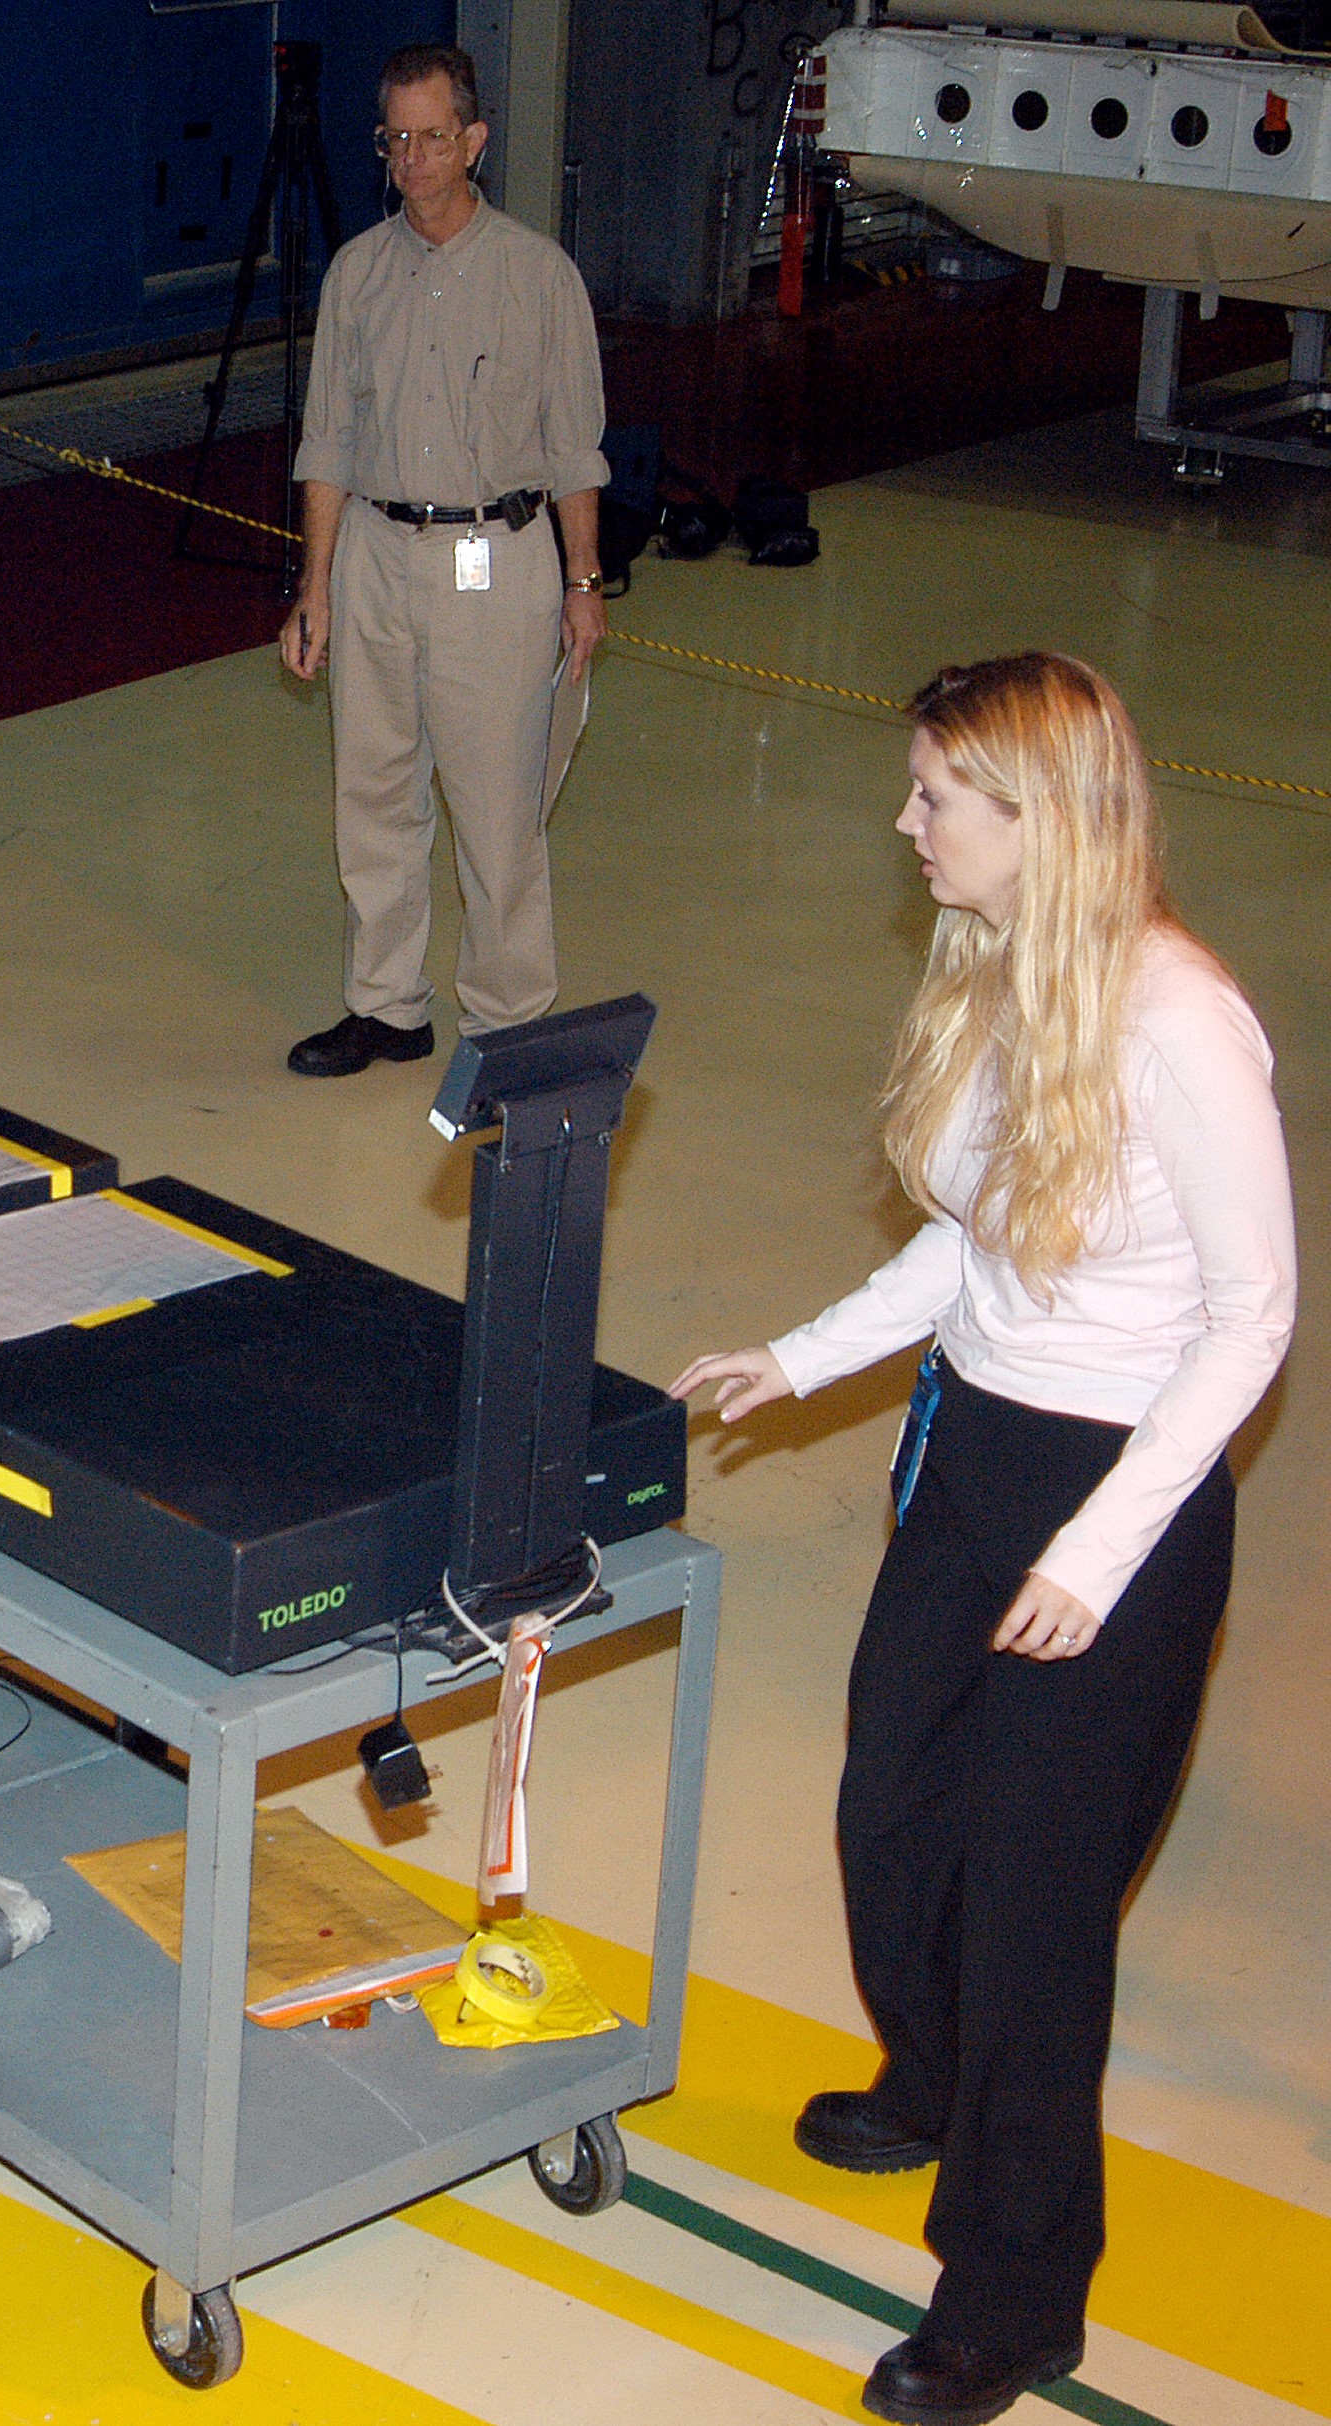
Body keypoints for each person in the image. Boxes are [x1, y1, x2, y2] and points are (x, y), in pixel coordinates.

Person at [673, 654, 1293, 2426]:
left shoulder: (1177, 1019)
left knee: (1033, 1903)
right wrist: (801, 1355)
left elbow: (1253, 1317)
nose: (906, 822)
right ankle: (936, 2074)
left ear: (1044, 818)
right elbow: (979, 1239)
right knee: (893, 1809)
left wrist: (1097, 1556)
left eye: (938, 793)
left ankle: (1017, 2293)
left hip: (1121, 1497)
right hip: (972, 1455)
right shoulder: (996, 976)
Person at [275, 45, 607, 1077]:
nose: (412, 160)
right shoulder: (357, 275)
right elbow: (326, 439)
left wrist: (584, 583)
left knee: (498, 805)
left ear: (475, 141)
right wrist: (315, 586)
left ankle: (507, 1023)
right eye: (394, 139)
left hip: (496, 558)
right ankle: (386, 1006)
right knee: (372, 790)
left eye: (431, 138)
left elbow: (573, 448)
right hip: (374, 552)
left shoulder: (536, 276)